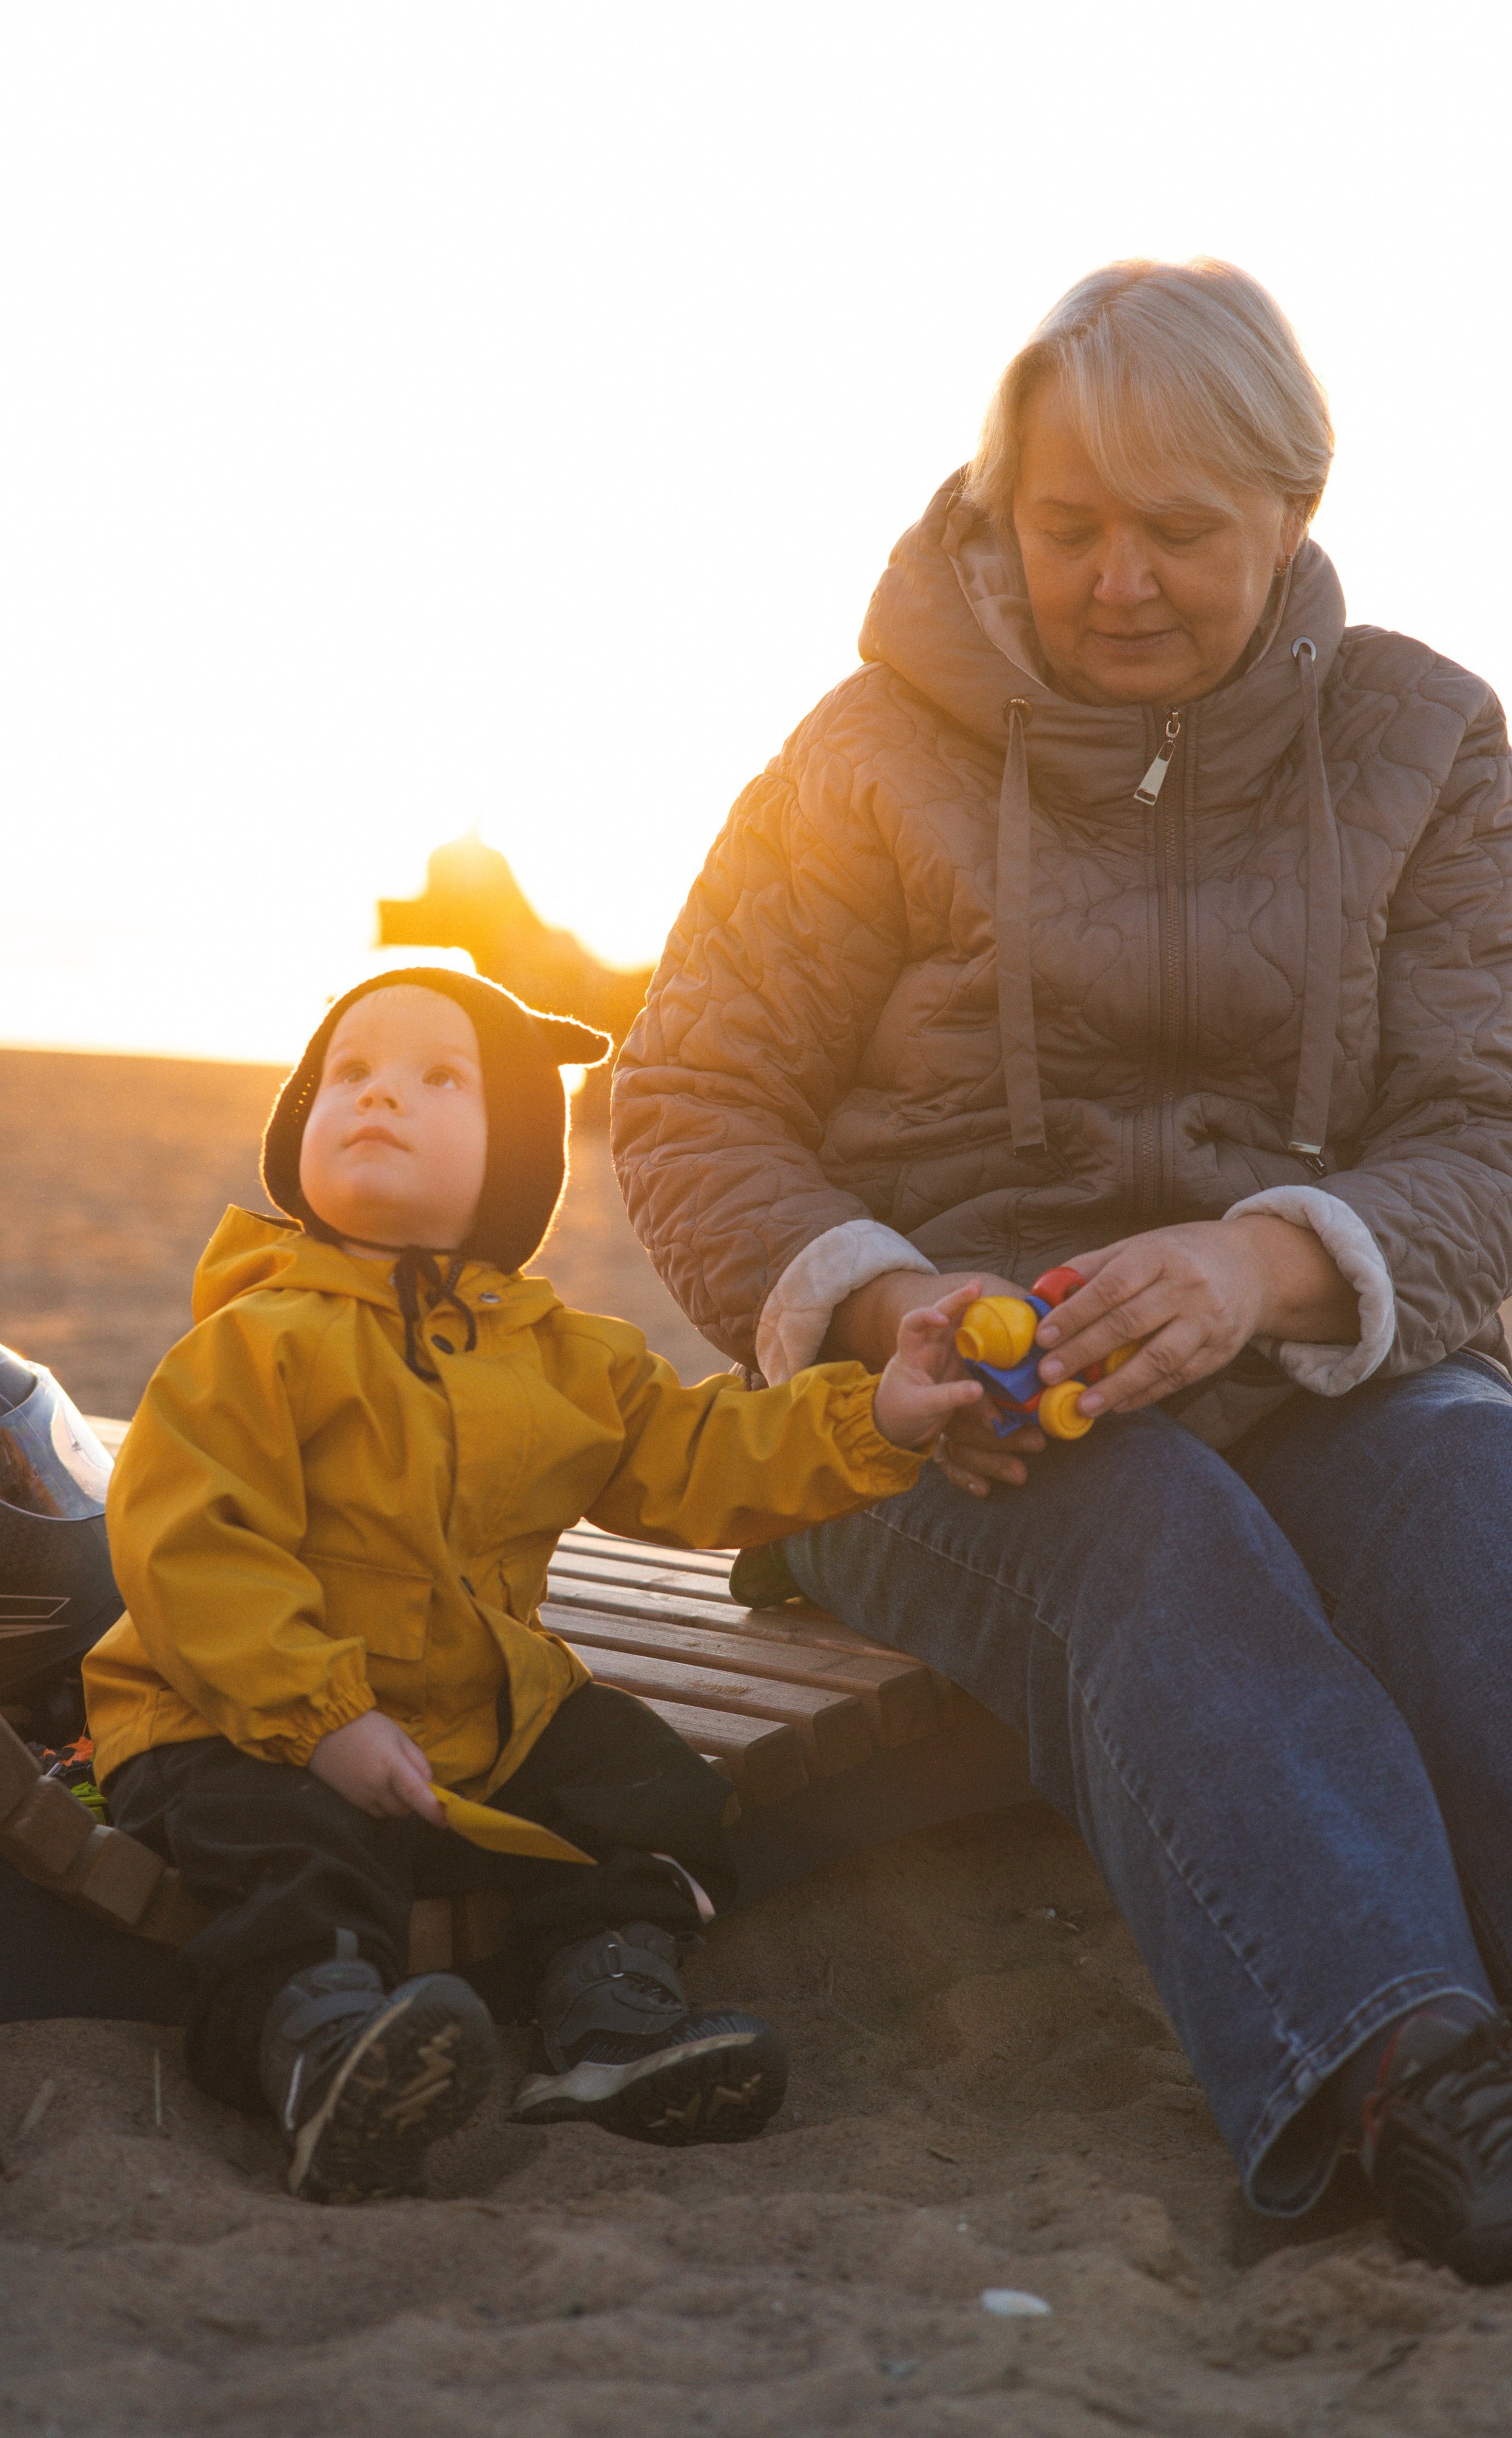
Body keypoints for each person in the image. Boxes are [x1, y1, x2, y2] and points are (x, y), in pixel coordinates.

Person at [612, 259, 1512, 2284]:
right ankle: (1408, 2078)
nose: (1118, 580)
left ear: (1292, 510)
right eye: (1069, 526)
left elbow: (1490, 1131)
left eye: (1181, 531)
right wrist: (876, 1309)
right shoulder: (867, 753)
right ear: (997, 510)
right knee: (1154, 1522)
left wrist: (1270, 1259)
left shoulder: (1432, 747)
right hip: (948, 1416)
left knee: (1476, 1486)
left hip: (1319, 1363)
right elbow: (685, 1108)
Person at [84, 968, 981, 2204]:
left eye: (438, 1078)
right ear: (299, 1127)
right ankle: (318, 2047)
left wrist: (875, 1411)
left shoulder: (560, 1355)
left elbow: (700, 1456)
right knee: (292, 1840)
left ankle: (607, 2018)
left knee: (642, 1781)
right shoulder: (256, 1341)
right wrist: (319, 1718)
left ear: (514, 1159)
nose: (380, 1095)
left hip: (471, 1711)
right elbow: (188, 1547)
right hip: (233, 1710)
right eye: (350, 1074)